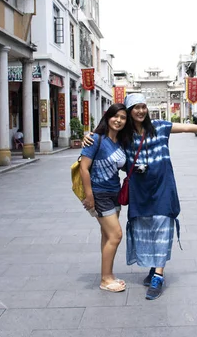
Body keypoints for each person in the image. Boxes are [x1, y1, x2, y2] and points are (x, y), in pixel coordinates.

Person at [84, 93, 197, 300]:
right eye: (135, 107)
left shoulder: (159, 126)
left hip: (163, 188)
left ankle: (158, 275)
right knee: (145, 228)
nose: (141, 111)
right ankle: (151, 268)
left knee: (162, 226)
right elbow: (107, 136)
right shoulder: (125, 135)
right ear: (129, 111)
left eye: (143, 106)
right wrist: (87, 136)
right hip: (139, 191)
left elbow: (184, 127)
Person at [79, 103, 132, 293]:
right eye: (115, 116)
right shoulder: (95, 139)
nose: (118, 120)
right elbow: (84, 168)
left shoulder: (120, 142)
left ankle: (108, 274)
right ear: (108, 117)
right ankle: (105, 279)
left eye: (123, 118)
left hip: (114, 192)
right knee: (116, 235)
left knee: (107, 235)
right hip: (99, 194)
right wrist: (89, 196)